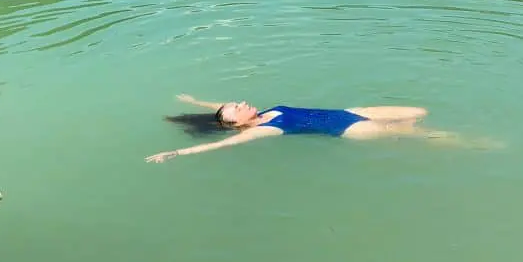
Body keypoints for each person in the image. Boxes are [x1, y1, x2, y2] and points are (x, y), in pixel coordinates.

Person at [146, 94, 482, 163]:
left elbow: (219, 112)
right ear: (239, 123)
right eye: (238, 108)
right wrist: (175, 152)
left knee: (419, 110)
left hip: (352, 112)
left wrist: (197, 103)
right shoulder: (259, 129)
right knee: (420, 133)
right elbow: (218, 145)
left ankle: (459, 137)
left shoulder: (261, 113)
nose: (242, 102)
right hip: (349, 131)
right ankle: (474, 144)